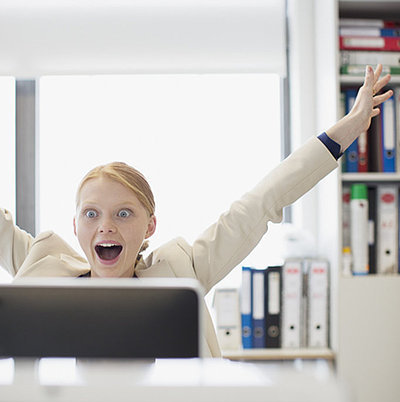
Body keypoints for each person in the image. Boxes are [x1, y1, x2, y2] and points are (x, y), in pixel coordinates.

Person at [0, 65, 392, 356]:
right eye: (91, 214)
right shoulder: (43, 271)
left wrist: (348, 129)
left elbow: (260, 203)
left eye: (123, 214)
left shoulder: (179, 273)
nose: (106, 227)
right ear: (75, 224)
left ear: (150, 225)